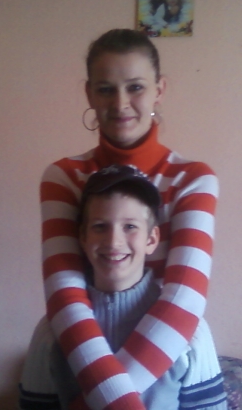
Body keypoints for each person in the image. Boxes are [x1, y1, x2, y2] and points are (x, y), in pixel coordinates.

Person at [40, 29, 219, 409]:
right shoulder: (63, 176)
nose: (120, 103)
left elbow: (184, 300)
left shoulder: (193, 179)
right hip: (78, 341)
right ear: (89, 94)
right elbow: (65, 295)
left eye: (135, 87)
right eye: (106, 89)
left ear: (159, 89)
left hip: (173, 348)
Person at [21, 165, 226, 410]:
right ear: (82, 238)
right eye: (100, 226)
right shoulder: (50, 331)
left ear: (151, 239)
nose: (113, 241)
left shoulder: (193, 333)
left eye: (130, 227)